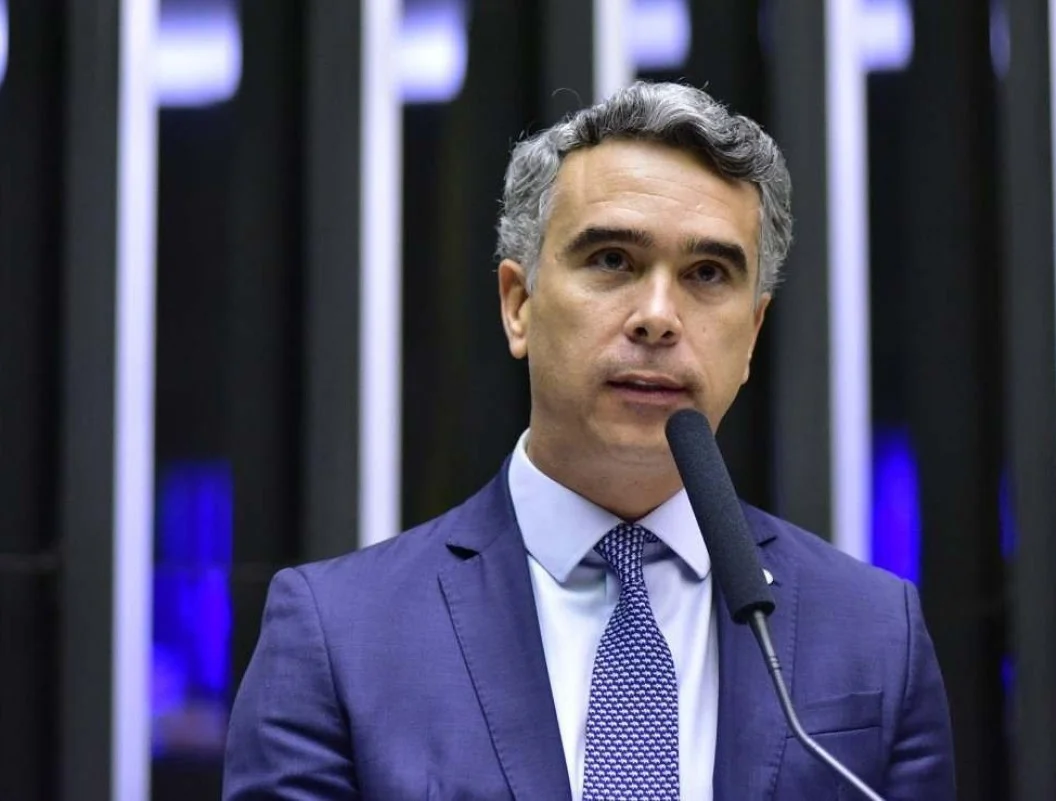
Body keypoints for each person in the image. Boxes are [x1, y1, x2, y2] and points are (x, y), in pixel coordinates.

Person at [223, 81, 956, 801]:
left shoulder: (873, 632)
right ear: (518, 304)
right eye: (612, 260)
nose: (658, 316)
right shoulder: (338, 634)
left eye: (707, 273)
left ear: (753, 334)